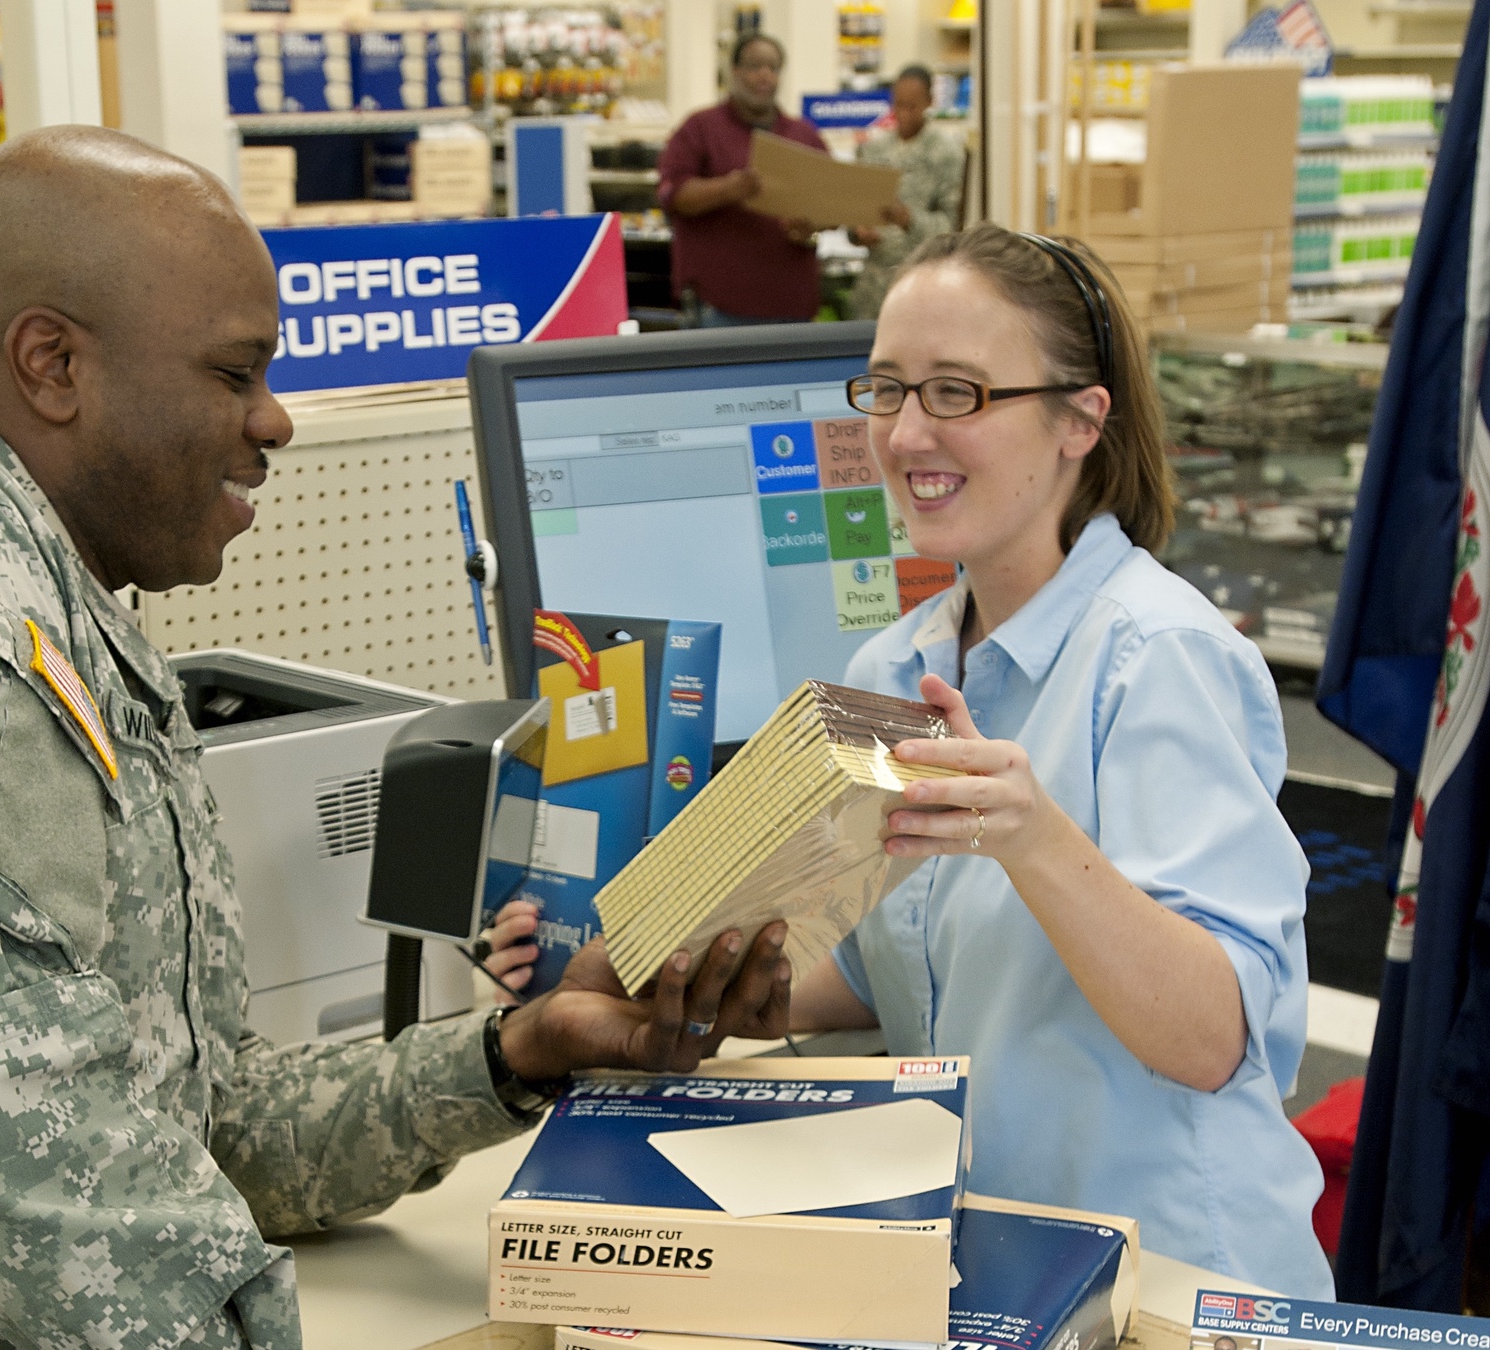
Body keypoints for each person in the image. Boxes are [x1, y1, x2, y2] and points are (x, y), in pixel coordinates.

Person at [0, 126, 791, 1349]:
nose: (275, 422)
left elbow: (203, 1127)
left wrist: (513, 1055)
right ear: (52, 364)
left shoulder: (56, 603)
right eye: (234, 373)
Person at [486, 224, 1333, 1297]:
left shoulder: (1160, 659)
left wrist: (1033, 838)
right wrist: (721, 978)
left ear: (1081, 418)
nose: (906, 433)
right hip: (1001, 1266)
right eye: (886, 390)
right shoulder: (900, 659)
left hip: (1170, 1279)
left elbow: (1213, 1038)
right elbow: (911, 963)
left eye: (959, 393)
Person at [656, 33, 826, 326]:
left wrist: (812, 226)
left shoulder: (804, 136)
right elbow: (674, 195)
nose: (765, 76)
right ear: (734, 72)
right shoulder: (700, 128)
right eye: (755, 66)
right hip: (720, 308)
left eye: (773, 68)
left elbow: (832, 204)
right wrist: (729, 189)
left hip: (792, 308)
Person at [846, 65, 966, 322]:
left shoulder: (945, 153)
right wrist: (857, 232)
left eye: (912, 106)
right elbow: (853, 211)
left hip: (923, 284)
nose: (903, 113)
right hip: (873, 289)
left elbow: (952, 227)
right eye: (898, 104)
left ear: (929, 103)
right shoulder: (875, 149)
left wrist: (908, 220)